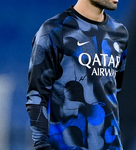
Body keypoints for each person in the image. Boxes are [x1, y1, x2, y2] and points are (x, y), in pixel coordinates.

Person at [26, 0, 129, 149]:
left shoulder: (120, 33)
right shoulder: (54, 31)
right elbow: (37, 97)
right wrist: (42, 145)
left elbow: (113, 91)